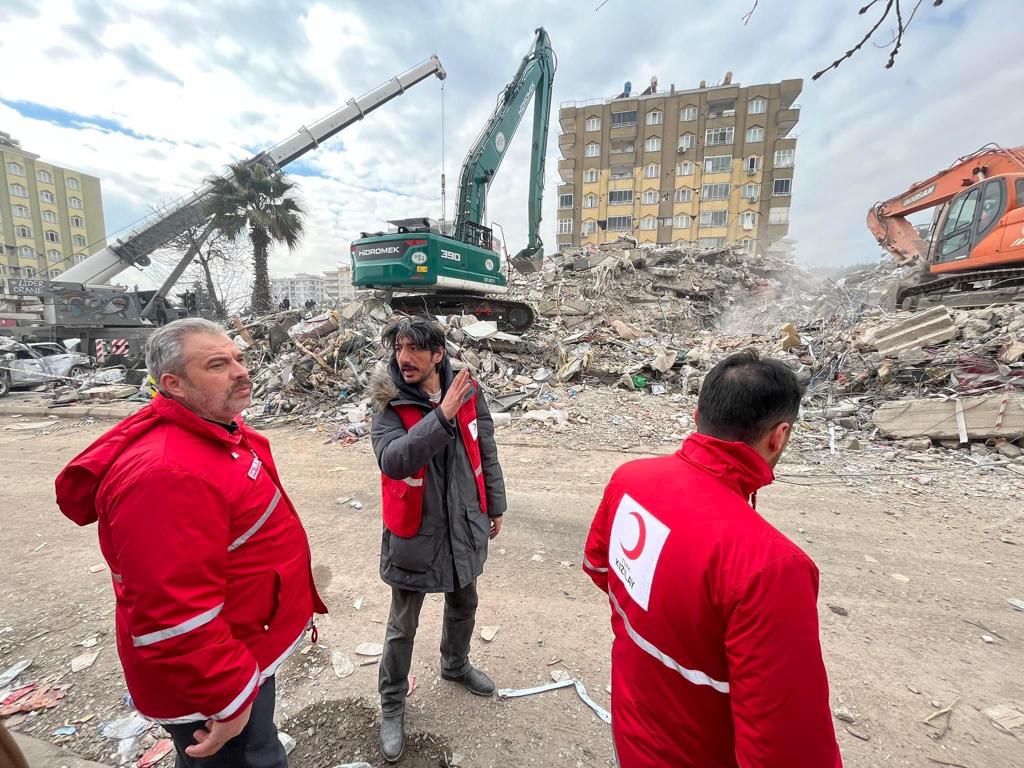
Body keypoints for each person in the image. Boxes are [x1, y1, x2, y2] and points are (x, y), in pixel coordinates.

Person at [55, 318, 327, 768]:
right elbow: (171, 611)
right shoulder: (166, 475)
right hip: (214, 678)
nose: (241, 371)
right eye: (218, 365)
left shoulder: (215, 434)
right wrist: (230, 697)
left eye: (238, 358)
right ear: (173, 384)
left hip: (243, 645)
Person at [583, 350, 842, 768]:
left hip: (631, 728)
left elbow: (599, 567)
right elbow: (785, 744)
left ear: (696, 414)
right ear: (778, 436)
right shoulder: (771, 567)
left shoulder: (630, 480)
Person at [369, 315, 506, 763]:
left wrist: (495, 504)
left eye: (414, 350)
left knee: (464, 602)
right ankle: (392, 704)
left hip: (463, 520)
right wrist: (441, 414)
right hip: (415, 530)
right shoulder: (388, 402)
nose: (404, 358)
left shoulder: (467, 389)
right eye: (398, 349)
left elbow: (484, 446)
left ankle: (455, 665)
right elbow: (394, 460)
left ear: (437, 354)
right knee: (402, 623)